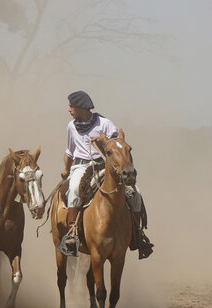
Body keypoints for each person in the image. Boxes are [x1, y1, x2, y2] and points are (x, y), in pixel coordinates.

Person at [60, 90, 153, 258]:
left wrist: (103, 142)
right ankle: (72, 233)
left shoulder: (105, 124)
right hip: (81, 166)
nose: (69, 109)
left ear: (82, 107)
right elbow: (69, 151)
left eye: (71, 106)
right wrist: (66, 169)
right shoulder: (71, 126)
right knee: (73, 189)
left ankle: (138, 234)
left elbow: (118, 146)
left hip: (105, 165)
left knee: (135, 193)